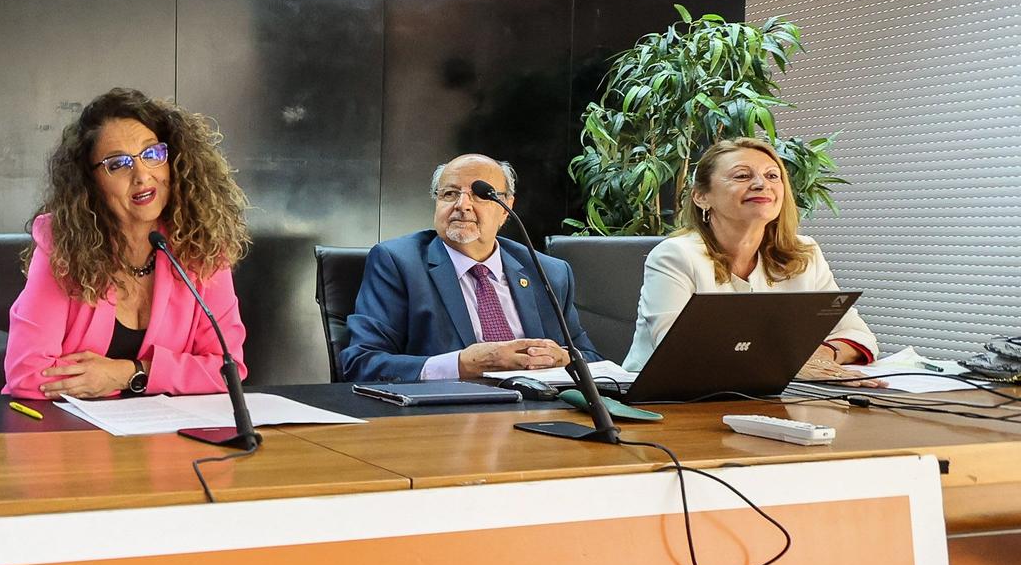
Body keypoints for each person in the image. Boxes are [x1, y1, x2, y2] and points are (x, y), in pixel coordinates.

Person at [4, 87, 250, 400]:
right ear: (89, 182)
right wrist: (178, 374)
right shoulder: (62, 244)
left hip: (169, 440)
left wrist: (127, 373)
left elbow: (227, 370)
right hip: (71, 438)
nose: (142, 175)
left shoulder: (200, 245)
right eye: (118, 164)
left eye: (152, 154)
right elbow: (27, 374)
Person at [624, 137, 876, 375]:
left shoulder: (804, 253)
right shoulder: (675, 255)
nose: (761, 184)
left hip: (771, 402)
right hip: (665, 405)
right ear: (701, 197)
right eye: (742, 175)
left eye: (772, 176)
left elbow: (857, 334)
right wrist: (792, 364)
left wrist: (823, 354)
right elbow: (679, 353)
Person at [339, 154, 600, 383]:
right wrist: (462, 365)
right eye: (449, 194)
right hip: (445, 421)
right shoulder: (398, 263)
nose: (462, 205)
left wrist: (564, 359)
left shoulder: (549, 273)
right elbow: (361, 364)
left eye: (480, 195)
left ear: (506, 209)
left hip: (538, 418)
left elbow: (594, 362)